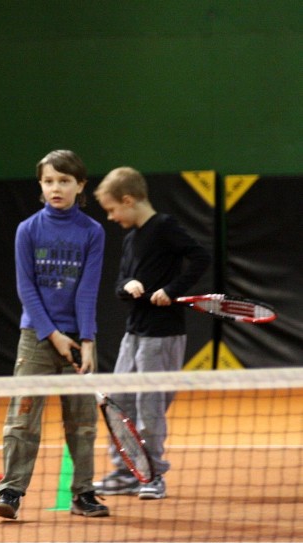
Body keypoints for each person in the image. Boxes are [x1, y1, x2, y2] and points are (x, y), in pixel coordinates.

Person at [0, 149, 109, 520]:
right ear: (40, 185)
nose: (56, 188)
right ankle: (11, 490)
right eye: (48, 181)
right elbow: (27, 289)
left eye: (64, 181)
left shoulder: (93, 232)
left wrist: (86, 341)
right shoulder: (28, 229)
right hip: (37, 339)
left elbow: (89, 289)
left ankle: (84, 493)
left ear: (80, 185)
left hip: (80, 339)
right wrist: (53, 335)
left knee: (83, 422)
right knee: (22, 417)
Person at [93, 166, 211, 500]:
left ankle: (153, 475)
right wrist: (126, 286)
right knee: (119, 403)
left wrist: (172, 290)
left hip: (163, 335)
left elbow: (201, 257)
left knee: (149, 407)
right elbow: (119, 284)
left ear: (128, 200)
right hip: (133, 335)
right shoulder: (131, 238)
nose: (112, 217)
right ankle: (127, 471)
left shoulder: (164, 228)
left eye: (112, 209)